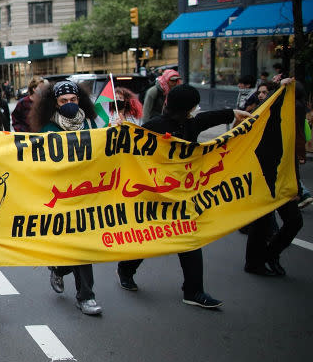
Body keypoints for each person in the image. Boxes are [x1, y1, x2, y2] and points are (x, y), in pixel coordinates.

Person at [117, 84, 251, 308]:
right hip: (155, 196)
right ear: (189, 108)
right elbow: (128, 148)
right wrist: (120, 130)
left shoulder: (191, 125)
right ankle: (126, 269)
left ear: (168, 103)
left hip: (182, 197)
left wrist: (235, 114)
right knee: (149, 238)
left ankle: (193, 291)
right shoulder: (153, 127)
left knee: (189, 240)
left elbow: (212, 117)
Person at [30, 81, 102, 315]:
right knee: (75, 247)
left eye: (73, 100)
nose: (69, 104)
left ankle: (84, 294)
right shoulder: (48, 130)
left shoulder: (92, 124)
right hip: (62, 197)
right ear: (56, 103)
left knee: (83, 248)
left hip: (87, 195)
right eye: (64, 101)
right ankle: (65, 274)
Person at [244, 79, 305, 276]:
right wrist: (280, 90)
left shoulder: (293, 110)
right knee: (262, 220)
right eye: (259, 92)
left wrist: (294, 181)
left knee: (293, 220)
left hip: (281, 174)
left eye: (264, 92)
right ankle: (256, 262)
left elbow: (290, 150)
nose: (260, 95)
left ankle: (269, 255)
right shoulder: (267, 112)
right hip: (265, 172)